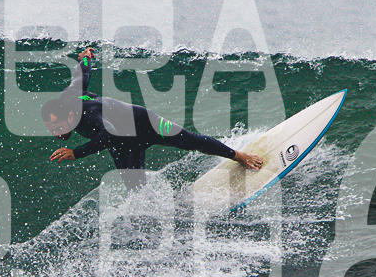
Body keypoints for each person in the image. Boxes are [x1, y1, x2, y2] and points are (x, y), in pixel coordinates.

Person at [44, 48, 262, 190]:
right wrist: (85, 58)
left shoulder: (88, 115)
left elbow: (108, 134)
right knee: (135, 188)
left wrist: (76, 153)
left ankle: (239, 156)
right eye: (52, 128)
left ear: (70, 115)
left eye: (59, 126)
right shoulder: (69, 96)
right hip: (122, 142)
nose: (56, 133)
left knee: (190, 140)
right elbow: (82, 75)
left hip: (144, 123)